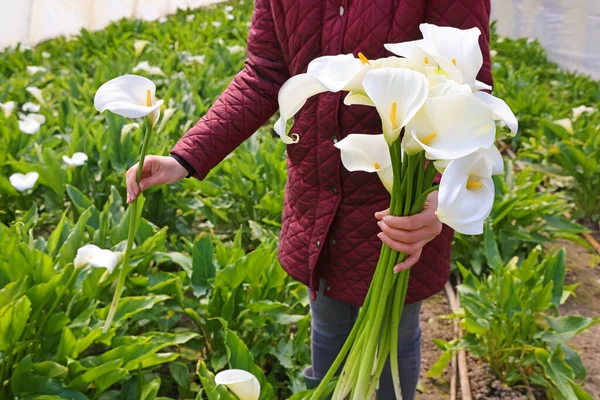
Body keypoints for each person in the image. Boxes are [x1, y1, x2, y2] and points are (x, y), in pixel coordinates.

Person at [125, 1, 493, 398]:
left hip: (401, 206)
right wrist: (185, 157)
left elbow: (467, 92)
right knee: (328, 323)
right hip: (318, 203)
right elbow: (265, 73)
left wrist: (437, 199)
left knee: (394, 333)